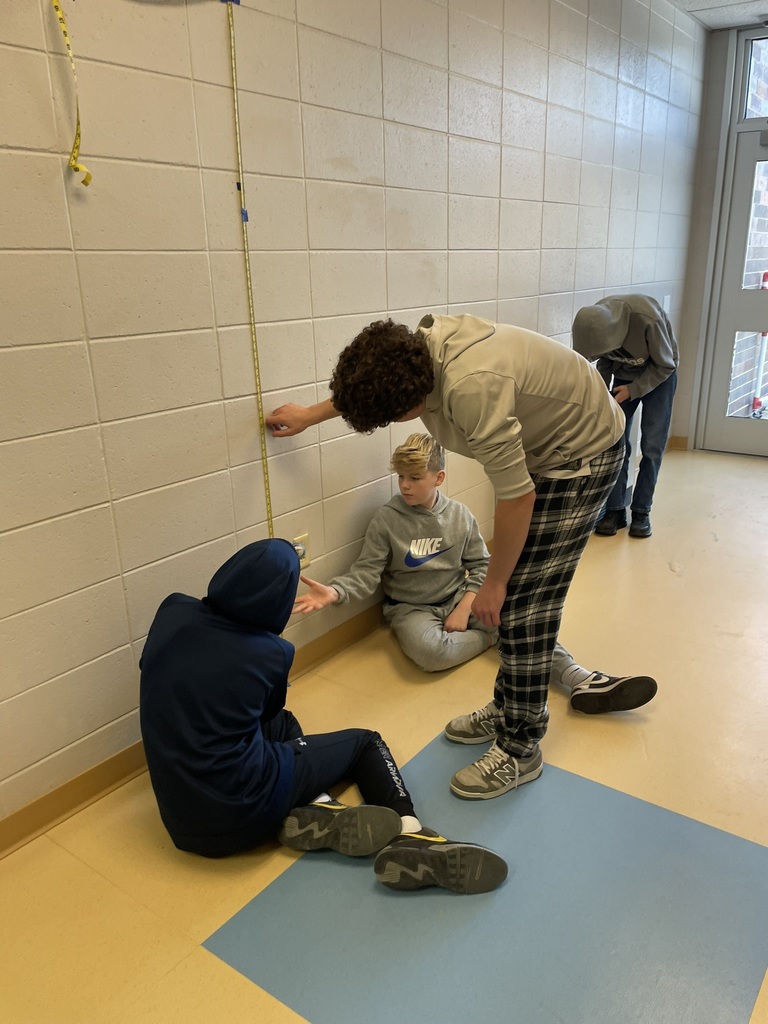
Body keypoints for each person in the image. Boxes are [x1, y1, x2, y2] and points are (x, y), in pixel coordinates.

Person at [266, 314, 647, 803]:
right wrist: (309, 416)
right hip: (546, 450)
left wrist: (492, 586)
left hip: (583, 455)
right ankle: (512, 702)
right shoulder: (414, 356)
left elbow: (516, 499)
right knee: (514, 604)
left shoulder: (472, 390)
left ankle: (520, 745)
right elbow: (372, 382)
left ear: (409, 402)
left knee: (526, 603)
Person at [139, 538, 507, 894]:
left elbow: (263, 714)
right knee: (366, 742)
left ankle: (318, 807)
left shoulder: (173, 610)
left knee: (281, 724)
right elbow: (265, 704)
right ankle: (412, 834)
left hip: (181, 820)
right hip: (244, 808)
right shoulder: (269, 653)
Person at [294, 431, 657, 715]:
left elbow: (482, 566)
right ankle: (492, 639)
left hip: (458, 596)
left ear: (439, 477)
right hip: (411, 609)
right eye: (401, 477)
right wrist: (335, 592)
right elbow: (366, 572)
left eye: (415, 477)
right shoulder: (387, 520)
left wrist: (466, 604)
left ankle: (579, 678)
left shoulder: (460, 516)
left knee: (518, 618)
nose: (405, 485)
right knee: (431, 653)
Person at [571, 293, 679, 539]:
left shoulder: (646, 318)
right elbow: (605, 362)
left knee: (651, 446)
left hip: (660, 375)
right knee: (615, 442)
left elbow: (666, 364)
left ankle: (641, 511)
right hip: (623, 374)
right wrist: (600, 394)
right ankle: (615, 510)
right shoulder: (595, 321)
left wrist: (634, 389)